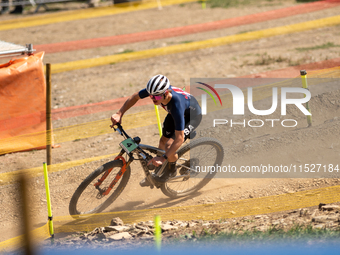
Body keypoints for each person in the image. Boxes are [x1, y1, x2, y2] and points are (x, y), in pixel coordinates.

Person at [110, 74, 202, 186]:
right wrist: (119, 113)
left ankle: (171, 170)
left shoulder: (177, 105)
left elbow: (179, 138)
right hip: (173, 113)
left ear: (166, 92)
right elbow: (135, 97)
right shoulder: (156, 91)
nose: (153, 99)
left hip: (191, 117)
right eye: (151, 96)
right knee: (162, 141)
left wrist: (163, 158)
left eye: (157, 97)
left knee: (169, 145)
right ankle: (160, 171)